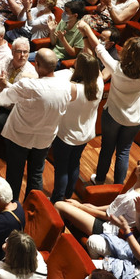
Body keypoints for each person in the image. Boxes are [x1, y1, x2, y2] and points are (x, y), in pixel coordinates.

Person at [81, 17, 140, 185]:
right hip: (134, 119)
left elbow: (99, 48)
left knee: (107, 148)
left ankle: (99, 180)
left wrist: (86, 29)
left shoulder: (117, 68)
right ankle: (118, 185)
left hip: (113, 115)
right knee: (124, 151)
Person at [0, 48, 75, 199]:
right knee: (36, 176)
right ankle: (33, 210)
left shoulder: (28, 85)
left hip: (19, 137)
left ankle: (13, 211)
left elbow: (4, 99)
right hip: (44, 139)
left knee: (14, 175)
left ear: (37, 64)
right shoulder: (67, 86)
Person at [51, 53, 105, 203]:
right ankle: (68, 195)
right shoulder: (99, 84)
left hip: (66, 135)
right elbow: (97, 71)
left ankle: (57, 200)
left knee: (61, 169)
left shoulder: (73, 88)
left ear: (78, 68)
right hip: (84, 135)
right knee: (74, 163)